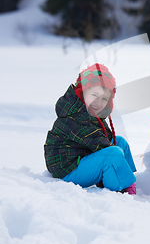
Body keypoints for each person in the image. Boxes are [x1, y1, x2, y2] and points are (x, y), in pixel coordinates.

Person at [44, 63, 137, 194]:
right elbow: (100, 144)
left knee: (119, 142)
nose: (98, 103)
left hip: (81, 158)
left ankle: (130, 181)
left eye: (104, 99)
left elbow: (105, 139)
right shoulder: (77, 117)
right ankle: (122, 188)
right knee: (113, 154)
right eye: (94, 95)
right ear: (82, 92)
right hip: (67, 171)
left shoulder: (89, 112)